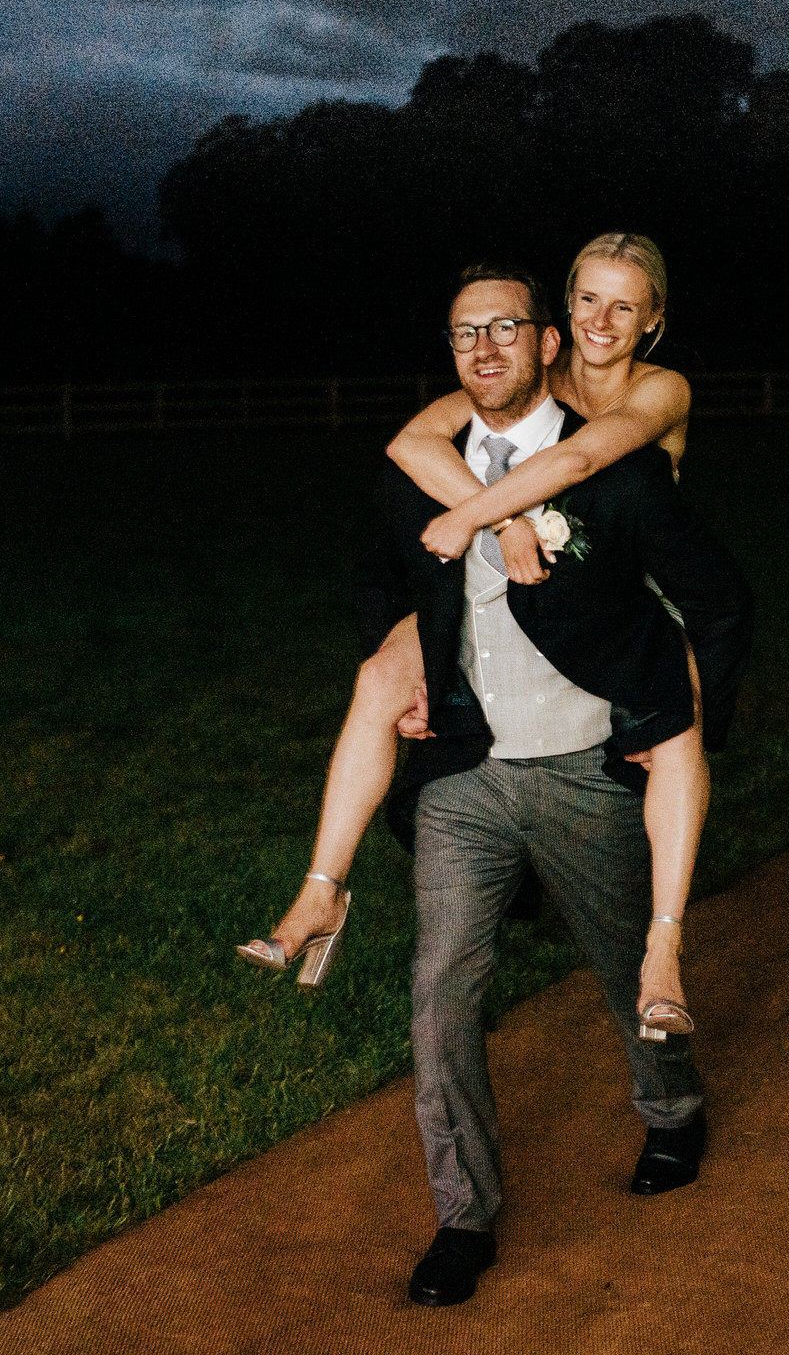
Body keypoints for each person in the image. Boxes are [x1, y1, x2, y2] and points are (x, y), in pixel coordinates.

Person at [357, 266, 751, 1305]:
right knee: (440, 988)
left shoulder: (627, 445)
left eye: (505, 329)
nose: (486, 348)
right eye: (463, 333)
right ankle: (462, 1215)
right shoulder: (450, 439)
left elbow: (707, 587)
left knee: (628, 962)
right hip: (467, 771)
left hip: (590, 741)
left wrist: (683, 707)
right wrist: (418, 670)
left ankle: (670, 1110)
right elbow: (396, 550)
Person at [238, 237, 715, 1033]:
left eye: (624, 305)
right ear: (563, 311)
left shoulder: (660, 388)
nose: (602, 320)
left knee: (679, 720)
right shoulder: (536, 372)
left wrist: (474, 516)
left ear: (652, 320)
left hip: (622, 586)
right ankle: (322, 889)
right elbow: (411, 444)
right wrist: (510, 524)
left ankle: (663, 949)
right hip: (519, 576)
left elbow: (585, 457)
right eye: (588, 299)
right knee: (381, 678)